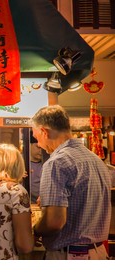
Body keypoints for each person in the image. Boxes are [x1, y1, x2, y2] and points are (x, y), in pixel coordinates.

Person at [31, 105, 111, 260]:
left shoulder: (56, 162)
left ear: (44, 132)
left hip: (71, 255)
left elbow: (54, 222)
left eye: (37, 138)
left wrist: (35, 230)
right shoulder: (95, 159)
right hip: (99, 253)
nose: (39, 144)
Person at [29, 132, 43, 204]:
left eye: (42, 148)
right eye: (38, 147)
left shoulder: (46, 165)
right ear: (29, 145)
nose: (40, 151)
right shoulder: (22, 164)